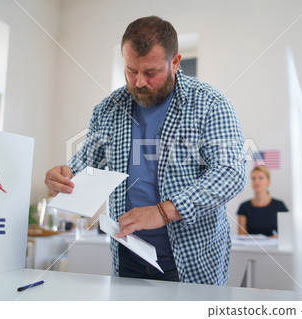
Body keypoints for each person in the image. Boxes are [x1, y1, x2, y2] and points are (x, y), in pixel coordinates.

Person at [45, 16, 247, 285]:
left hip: (192, 259)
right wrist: (66, 174)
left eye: (151, 72)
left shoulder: (210, 104)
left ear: (175, 62)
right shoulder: (108, 109)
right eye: (131, 71)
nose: (139, 82)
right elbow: (86, 163)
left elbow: (230, 173)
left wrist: (164, 211)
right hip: (129, 255)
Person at [236, 166, 288, 237]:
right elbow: (242, 236)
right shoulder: (244, 207)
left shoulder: (280, 206)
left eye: (261, 178)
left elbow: (286, 234)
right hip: (250, 247)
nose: (256, 181)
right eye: (253, 178)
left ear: (268, 182)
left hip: (273, 247)